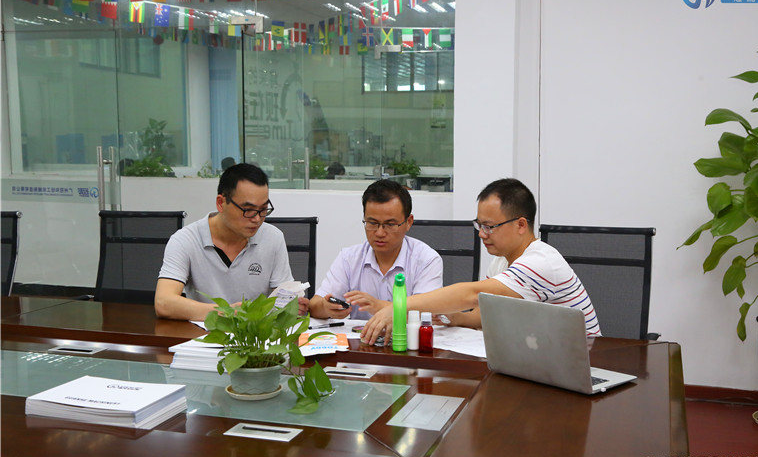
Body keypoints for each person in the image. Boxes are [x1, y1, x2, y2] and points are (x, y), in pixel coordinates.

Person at [361, 178, 601, 344]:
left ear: (520, 225)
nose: (482, 234)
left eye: (490, 226)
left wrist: (399, 306)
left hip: (585, 361)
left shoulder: (541, 262)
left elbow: (472, 294)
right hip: (543, 356)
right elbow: (484, 313)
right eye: (479, 225)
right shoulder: (502, 262)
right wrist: (457, 318)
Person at [155, 163, 309, 321]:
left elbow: (285, 298)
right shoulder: (185, 240)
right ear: (221, 203)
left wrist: (292, 306)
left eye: (263, 209)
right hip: (202, 333)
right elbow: (163, 303)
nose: (257, 219)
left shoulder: (273, 237)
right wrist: (227, 312)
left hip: (254, 334)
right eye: (248, 210)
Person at [309, 179, 443, 320]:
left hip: (406, 334)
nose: (379, 233)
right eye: (372, 223)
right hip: (360, 334)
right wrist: (326, 308)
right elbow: (314, 305)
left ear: (408, 222)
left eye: (390, 224)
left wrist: (378, 306)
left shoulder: (426, 260)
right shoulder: (348, 258)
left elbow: (428, 313)